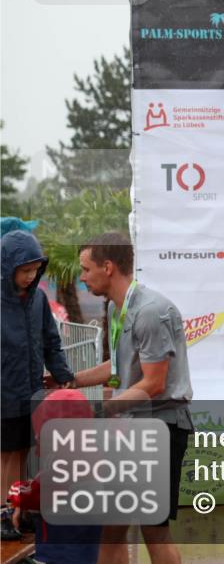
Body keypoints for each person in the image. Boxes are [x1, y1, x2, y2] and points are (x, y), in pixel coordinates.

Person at [71, 232, 192, 564]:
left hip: (160, 427)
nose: (81, 277)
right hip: (132, 425)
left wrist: (100, 410)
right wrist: (71, 380)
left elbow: (154, 383)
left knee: (153, 528)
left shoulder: (152, 312)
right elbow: (122, 365)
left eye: (85, 268)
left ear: (107, 267)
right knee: (112, 524)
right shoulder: (117, 309)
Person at [1, 230, 75, 540]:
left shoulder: (38, 300)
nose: (31, 277)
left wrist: (62, 372)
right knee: (7, 455)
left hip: (31, 391)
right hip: (4, 392)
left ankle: (20, 510)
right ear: (8, 268)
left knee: (26, 451)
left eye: (35, 270)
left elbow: (50, 340)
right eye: (24, 271)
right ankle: (4, 512)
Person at [9, 388, 102, 564]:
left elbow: (31, 494)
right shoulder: (94, 458)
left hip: (58, 553)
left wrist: (15, 494)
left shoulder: (60, 465)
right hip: (89, 553)